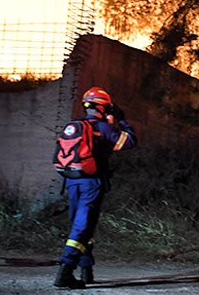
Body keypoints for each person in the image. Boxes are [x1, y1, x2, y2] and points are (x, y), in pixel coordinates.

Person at [54, 87, 137, 288]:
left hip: (72, 180)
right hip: (92, 182)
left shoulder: (75, 125)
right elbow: (130, 142)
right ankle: (65, 271)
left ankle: (86, 270)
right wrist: (122, 120)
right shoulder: (105, 128)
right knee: (83, 226)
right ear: (104, 107)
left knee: (82, 225)